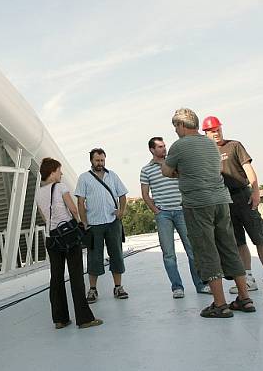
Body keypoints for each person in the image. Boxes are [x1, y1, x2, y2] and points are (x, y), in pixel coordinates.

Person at [161, 108, 255, 318]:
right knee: (229, 247)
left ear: (182, 126)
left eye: (176, 126)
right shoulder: (211, 145)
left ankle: (220, 305)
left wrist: (181, 171)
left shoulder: (179, 146)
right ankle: (245, 298)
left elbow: (166, 171)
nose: (175, 130)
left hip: (197, 204)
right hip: (221, 201)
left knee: (206, 251)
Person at [202, 116, 263, 295]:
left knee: (259, 238)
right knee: (238, 242)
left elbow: (248, 170)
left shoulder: (234, 146)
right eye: (212, 131)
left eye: (218, 129)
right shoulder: (205, 153)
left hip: (243, 197)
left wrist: (256, 191)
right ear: (205, 133)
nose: (217, 133)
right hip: (224, 202)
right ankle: (248, 279)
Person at [36, 157, 103, 329]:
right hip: (68, 238)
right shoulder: (60, 187)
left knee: (56, 279)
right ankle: (84, 319)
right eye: (59, 170)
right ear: (52, 172)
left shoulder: (38, 193)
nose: (61, 173)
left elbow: (45, 218)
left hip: (52, 239)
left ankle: (60, 319)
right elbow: (73, 209)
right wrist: (80, 223)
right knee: (76, 277)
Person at [140, 136, 208, 297]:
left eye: (164, 146)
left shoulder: (174, 163)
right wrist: (156, 211)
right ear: (152, 150)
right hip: (163, 215)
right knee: (169, 253)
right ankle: (177, 287)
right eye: (160, 147)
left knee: (192, 250)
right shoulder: (146, 169)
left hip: (182, 211)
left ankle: (201, 285)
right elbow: (145, 194)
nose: (164, 149)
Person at [74, 148, 129, 303]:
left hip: (112, 223)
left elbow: (123, 195)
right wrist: (84, 222)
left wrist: (121, 211)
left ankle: (118, 287)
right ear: (91, 160)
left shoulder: (112, 176)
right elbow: (80, 201)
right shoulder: (84, 178)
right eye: (97, 160)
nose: (100, 163)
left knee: (117, 255)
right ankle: (92, 289)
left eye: (102, 160)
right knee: (94, 258)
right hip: (94, 225)